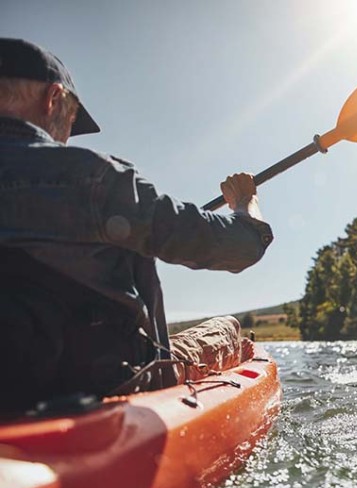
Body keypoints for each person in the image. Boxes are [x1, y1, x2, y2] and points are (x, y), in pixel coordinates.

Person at [0, 38, 273, 411]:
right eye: (70, 119)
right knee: (228, 328)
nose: (65, 136)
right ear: (53, 98)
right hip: (111, 387)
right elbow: (243, 247)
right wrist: (245, 204)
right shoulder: (99, 179)